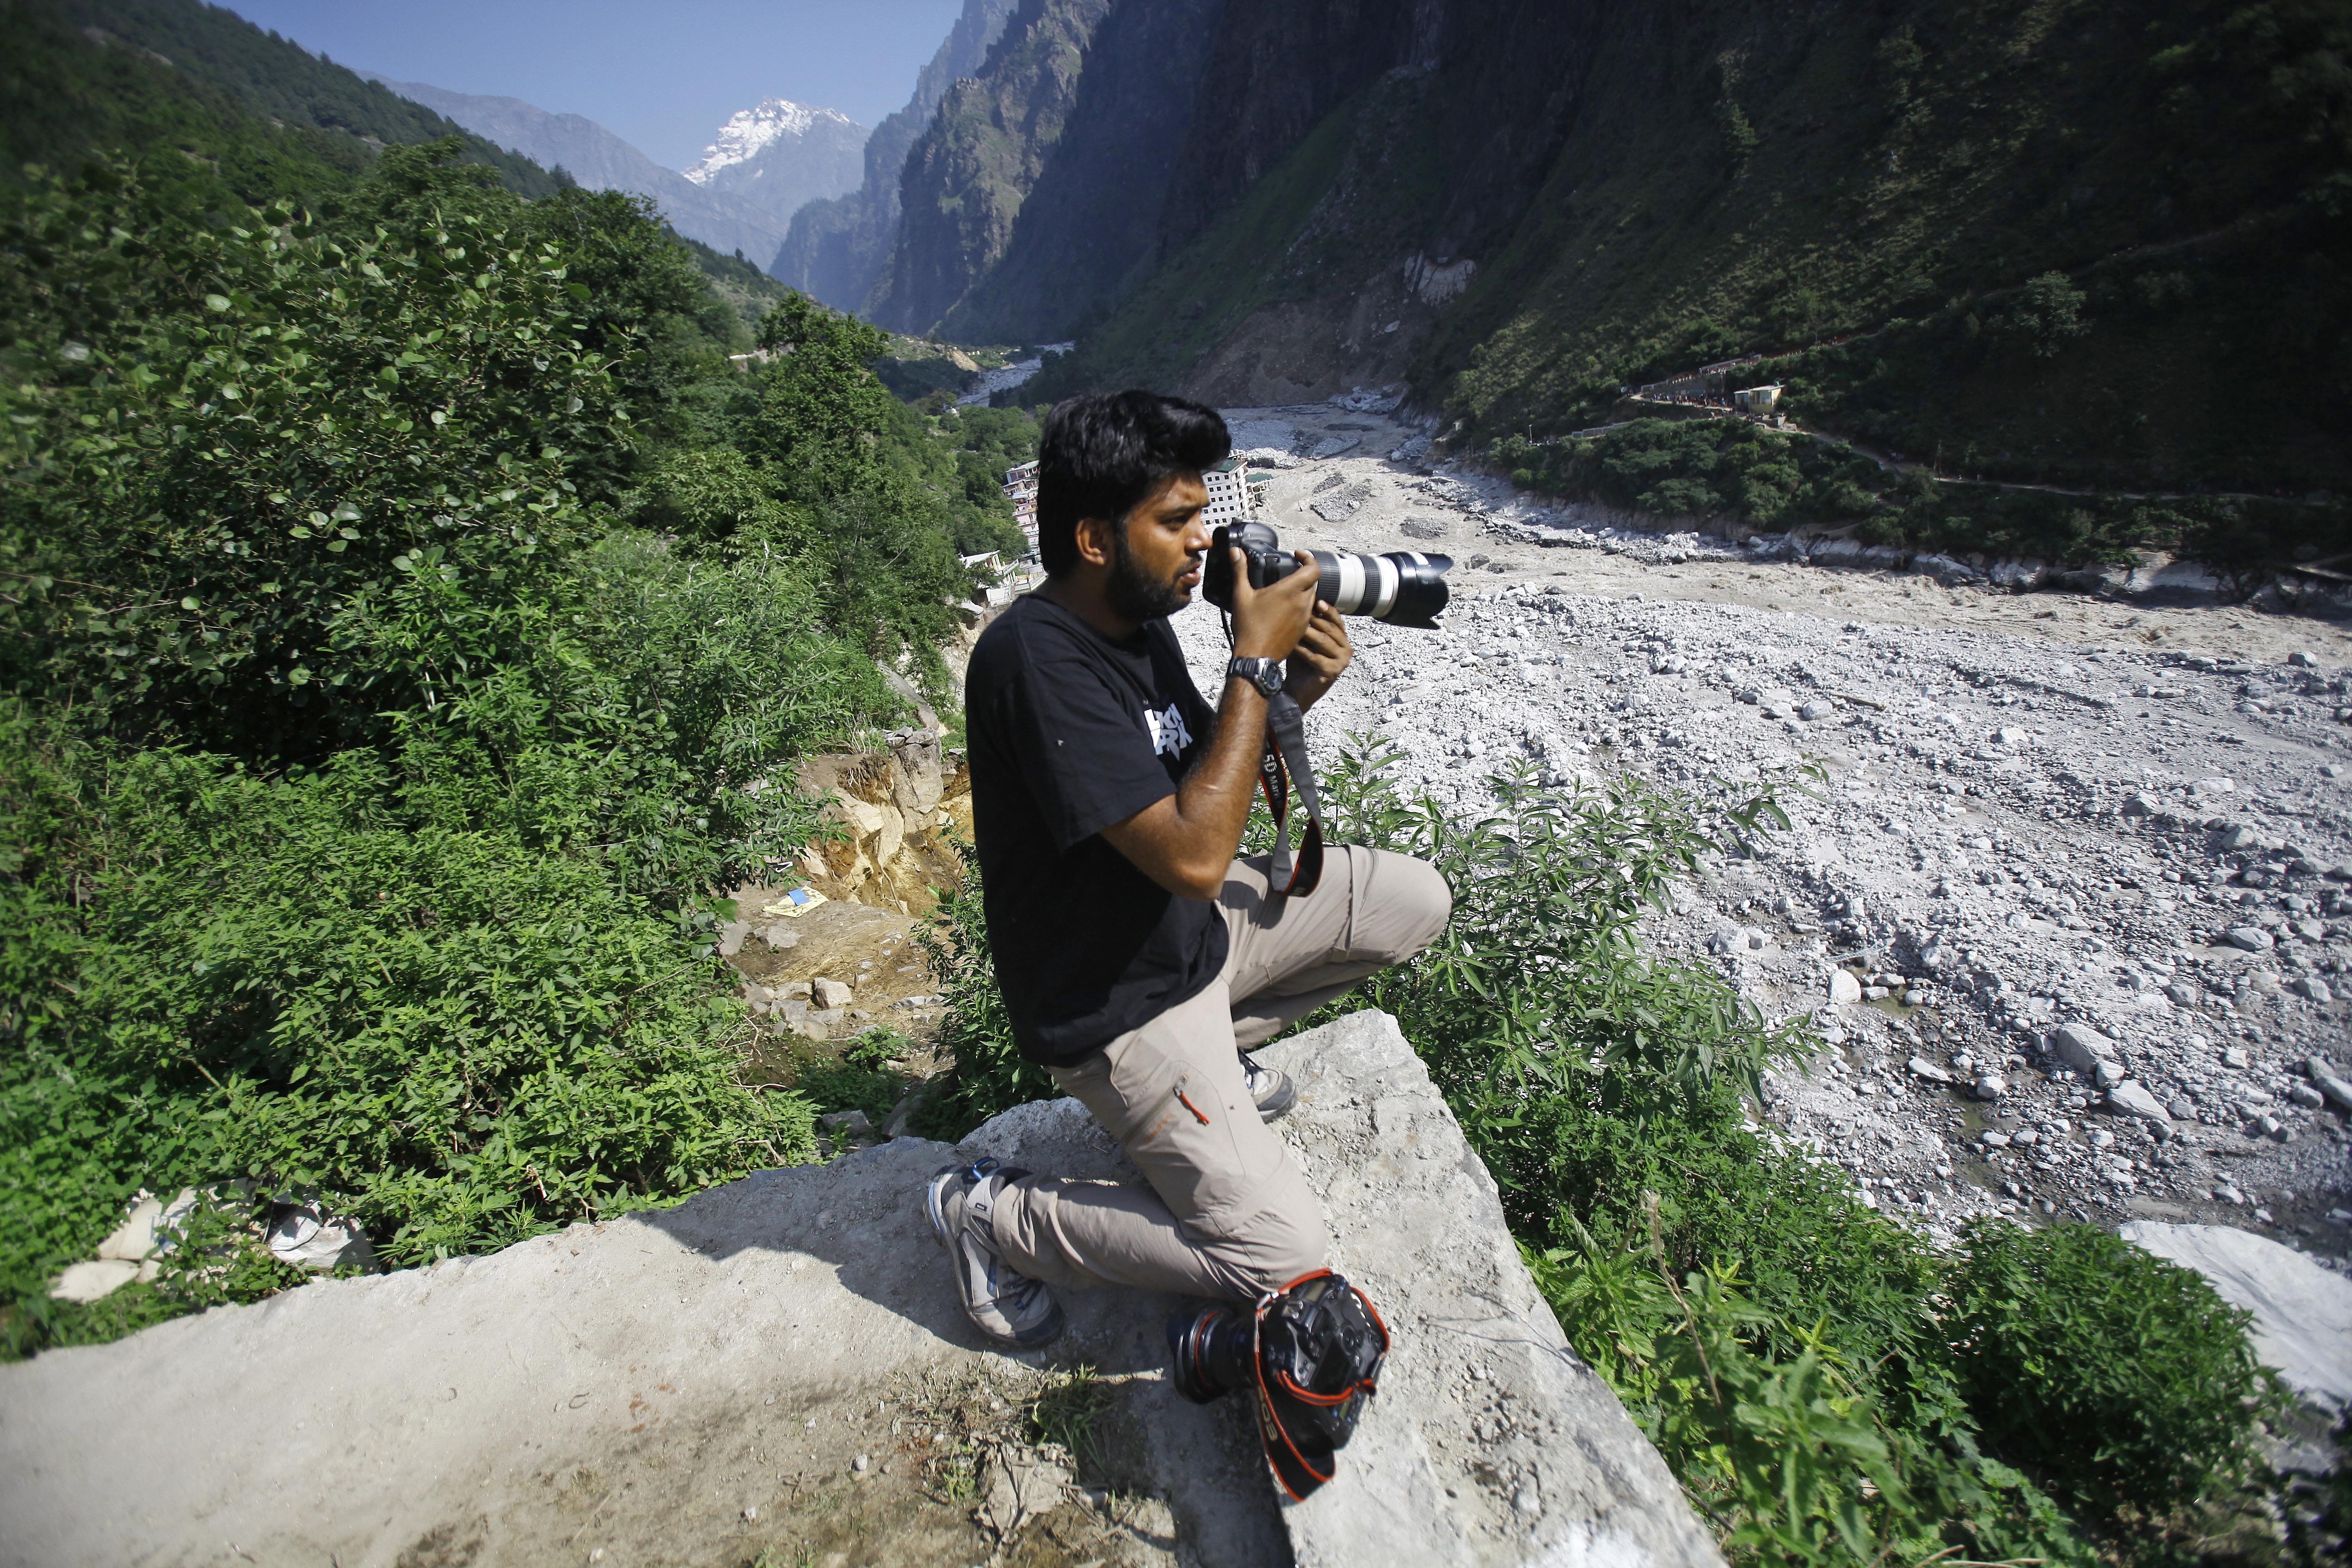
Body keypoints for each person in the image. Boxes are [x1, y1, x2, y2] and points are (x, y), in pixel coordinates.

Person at [927, 389, 1452, 1347]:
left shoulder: (1139, 615)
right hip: (1114, 1004)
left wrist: (1291, 686)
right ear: (1094, 539)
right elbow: (1198, 853)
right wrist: (1253, 659)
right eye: (1178, 521)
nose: (1204, 543)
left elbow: (1202, 768)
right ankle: (992, 1217)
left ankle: (1218, 1054)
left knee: (1415, 902)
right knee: (1283, 1265)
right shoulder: (1033, 661)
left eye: (1203, 514)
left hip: (1187, 945)